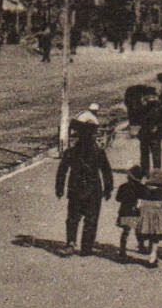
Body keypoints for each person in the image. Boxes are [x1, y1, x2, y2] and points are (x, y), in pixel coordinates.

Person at [55, 111, 114, 256]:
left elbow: (62, 170)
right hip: (93, 189)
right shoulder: (98, 152)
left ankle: (71, 243)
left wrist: (60, 188)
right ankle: (85, 247)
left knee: (74, 218)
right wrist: (108, 188)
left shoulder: (73, 151)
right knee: (90, 219)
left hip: (77, 188)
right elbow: (106, 171)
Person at [134, 169, 162, 268]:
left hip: (145, 214)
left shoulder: (143, 189)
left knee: (146, 232)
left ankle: (142, 246)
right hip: (157, 215)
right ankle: (152, 256)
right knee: (155, 236)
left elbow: (138, 203)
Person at [114, 165, 149, 263]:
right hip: (137, 212)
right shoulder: (143, 188)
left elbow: (118, 199)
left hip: (125, 211)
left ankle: (122, 249)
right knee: (139, 231)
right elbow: (144, 199)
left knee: (126, 231)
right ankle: (141, 246)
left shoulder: (123, 186)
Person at [136, 92, 162, 172]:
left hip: (148, 134)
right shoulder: (159, 108)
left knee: (146, 154)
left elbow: (139, 120)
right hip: (152, 134)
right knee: (154, 154)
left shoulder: (144, 108)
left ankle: (147, 171)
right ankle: (155, 170)